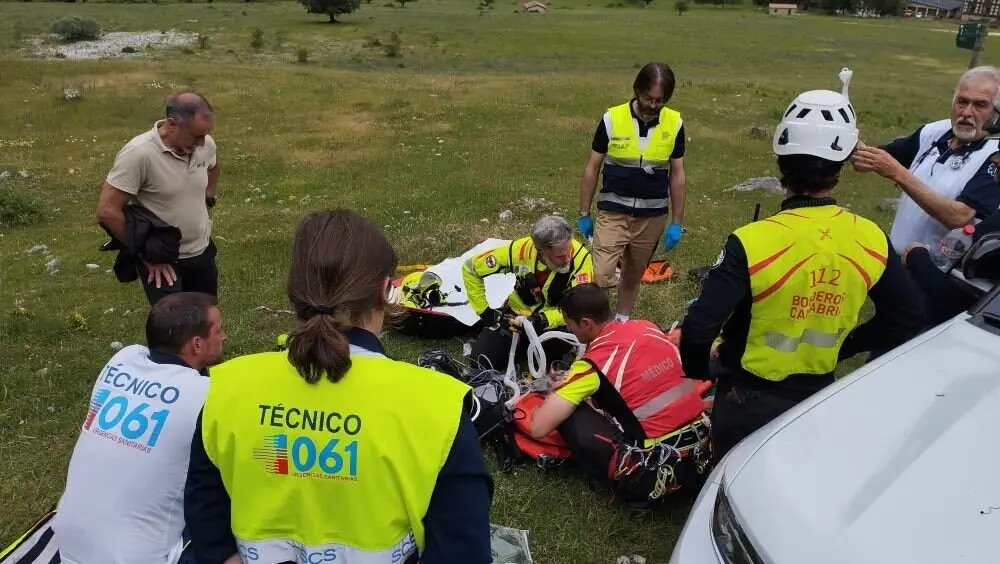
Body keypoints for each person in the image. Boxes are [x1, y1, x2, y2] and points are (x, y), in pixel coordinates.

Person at [184, 209, 493, 564]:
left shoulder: (228, 386)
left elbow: (203, 508)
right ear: (385, 292)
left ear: (295, 291)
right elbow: (463, 549)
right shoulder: (438, 405)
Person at [679, 82, 926, 463]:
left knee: (727, 482)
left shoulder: (751, 241)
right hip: (815, 396)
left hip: (746, 396)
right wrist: (845, 346)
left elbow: (698, 329)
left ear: (782, 165)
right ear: (841, 167)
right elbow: (907, 315)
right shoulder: (870, 238)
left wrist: (702, 369)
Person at [52, 292, 227, 564]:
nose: (224, 337)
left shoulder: (122, 359)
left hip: (67, 542)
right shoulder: (208, 395)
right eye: (218, 330)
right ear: (196, 344)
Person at [527, 283, 709, 504]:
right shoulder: (647, 327)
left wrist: (551, 393)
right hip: (702, 452)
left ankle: (609, 482)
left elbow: (538, 428)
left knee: (570, 414)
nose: (570, 331)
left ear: (586, 323)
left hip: (653, 476)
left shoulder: (593, 365)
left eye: (570, 325)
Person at [577, 62, 687, 322]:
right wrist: (584, 212)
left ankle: (622, 321)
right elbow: (592, 168)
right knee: (602, 274)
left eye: (659, 100)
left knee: (634, 272)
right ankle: (598, 327)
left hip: (652, 216)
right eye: (648, 98)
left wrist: (677, 223)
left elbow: (678, 175)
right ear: (637, 90)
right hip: (614, 211)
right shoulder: (612, 119)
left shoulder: (675, 123)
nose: (652, 104)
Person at [852, 66, 1000, 256]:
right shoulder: (934, 132)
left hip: (940, 275)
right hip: (897, 261)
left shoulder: (995, 154)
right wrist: (845, 137)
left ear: (996, 112)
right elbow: (875, 157)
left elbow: (960, 216)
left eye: (980, 105)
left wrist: (899, 174)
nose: (967, 112)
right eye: (962, 102)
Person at [96, 92, 222, 306]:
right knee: (173, 331)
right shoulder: (139, 154)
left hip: (201, 252)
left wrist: (208, 195)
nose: (202, 142)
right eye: (196, 135)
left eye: (205, 134)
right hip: (163, 263)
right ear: (172, 124)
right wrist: (148, 255)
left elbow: (214, 165)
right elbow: (107, 211)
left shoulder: (205, 145)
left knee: (206, 321)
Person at [463, 215, 594, 371]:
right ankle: (519, 345)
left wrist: (543, 320)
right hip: (515, 317)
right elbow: (471, 268)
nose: (567, 259)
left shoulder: (581, 259)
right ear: (541, 251)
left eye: (568, 251)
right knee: (481, 361)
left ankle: (545, 351)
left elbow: (579, 308)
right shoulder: (520, 250)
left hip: (554, 324)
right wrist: (484, 311)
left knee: (546, 367)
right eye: (560, 256)